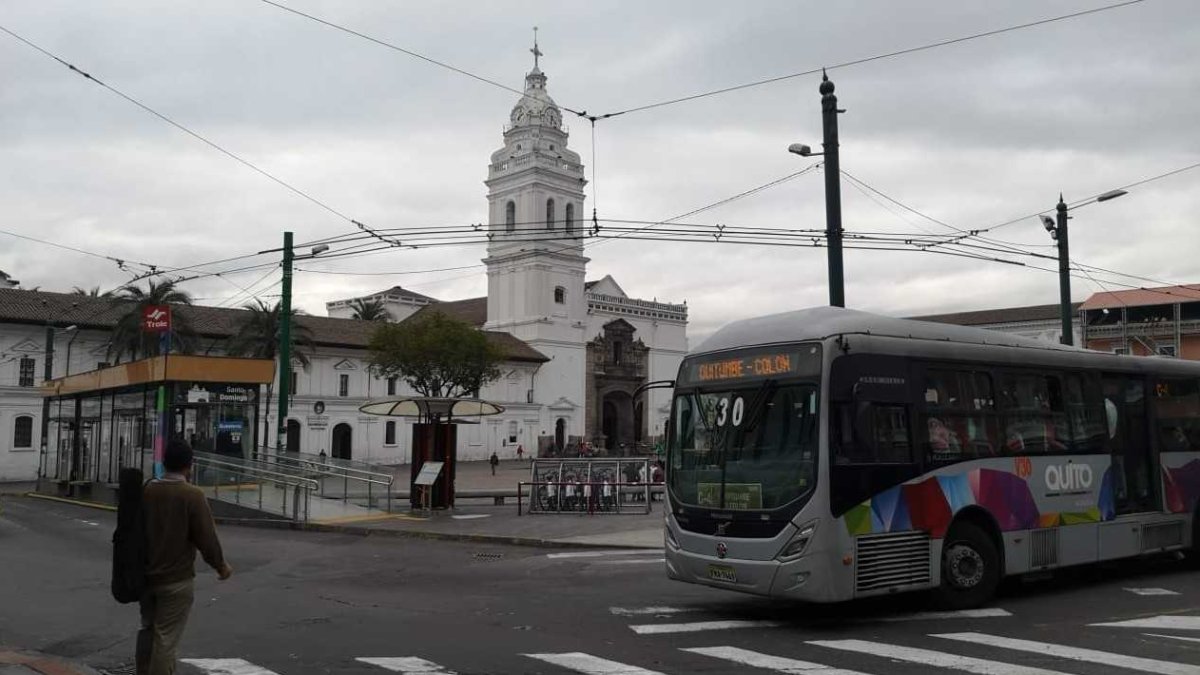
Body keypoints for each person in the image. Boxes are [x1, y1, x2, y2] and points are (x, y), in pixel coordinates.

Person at [137, 439, 232, 675]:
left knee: (148, 629)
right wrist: (221, 566)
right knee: (166, 640)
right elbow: (206, 537)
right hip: (176, 580)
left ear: (164, 462)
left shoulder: (148, 490)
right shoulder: (192, 495)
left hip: (146, 578)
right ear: (189, 466)